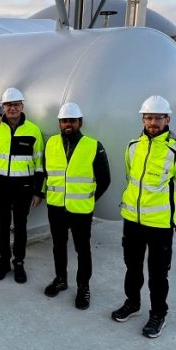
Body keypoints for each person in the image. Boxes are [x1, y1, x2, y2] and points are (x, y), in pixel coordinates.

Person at [111, 95, 176, 339]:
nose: (153, 122)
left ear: (167, 119)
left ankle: (158, 313)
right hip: (133, 220)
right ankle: (132, 303)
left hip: (159, 225)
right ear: (143, 119)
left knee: (158, 274)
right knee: (132, 267)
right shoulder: (132, 147)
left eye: (158, 117)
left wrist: (170, 214)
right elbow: (131, 178)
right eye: (149, 117)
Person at [42, 102, 110, 309]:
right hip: (56, 207)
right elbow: (47, 172)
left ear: (80, 122)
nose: (68, 124)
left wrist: (87, 198)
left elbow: (104, 179)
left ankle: (83, 288)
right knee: (58, 246)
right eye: (64, 121)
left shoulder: (93, 146)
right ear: (59, 124)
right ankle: (61, 280)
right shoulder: (51, 143)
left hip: (81, 210)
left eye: (72, 120)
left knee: (83, 250)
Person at [0, 87, 45, 284]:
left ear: (22, 106)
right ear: (3, 107)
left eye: (16, 105)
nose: (13, 109)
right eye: (9, 105)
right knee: (3, 226)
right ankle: (4, 262)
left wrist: (38, 191)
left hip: (23, 188)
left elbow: (39, 164)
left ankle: (19, 263)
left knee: (21, 227)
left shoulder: (33, 130)